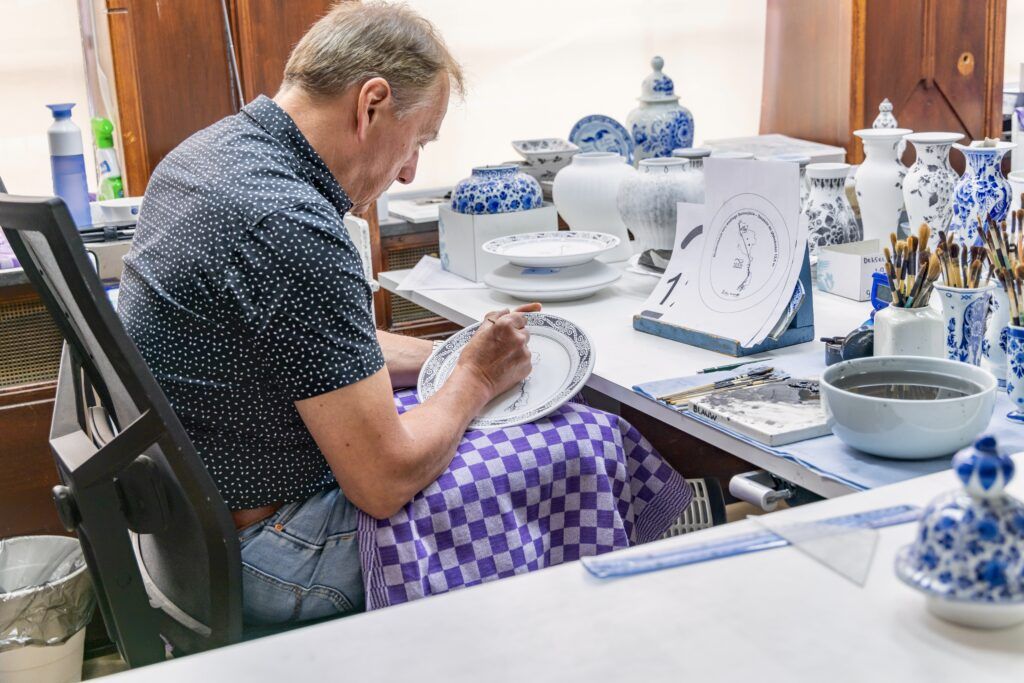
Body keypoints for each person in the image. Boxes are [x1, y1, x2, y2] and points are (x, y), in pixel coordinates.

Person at [120, 2, 688, 625]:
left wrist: (462, 352)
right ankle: (584, 642)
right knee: (586, 439)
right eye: (418, 139)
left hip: (182, 538)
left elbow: (319, 354)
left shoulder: (208, 158)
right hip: (274, 549)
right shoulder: (288, 222)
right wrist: (472, 378)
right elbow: (383, 482)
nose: (411, 168)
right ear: (371, 103)